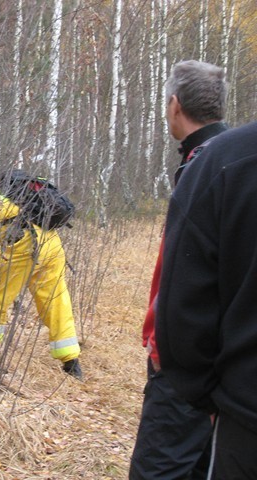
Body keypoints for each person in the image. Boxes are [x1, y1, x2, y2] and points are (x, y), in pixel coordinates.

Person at [129, 60, 229, 479]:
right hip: (225, 366)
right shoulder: (229, 163)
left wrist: (164, 353)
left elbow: (185, 279)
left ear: (174, 105)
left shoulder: (201, 169)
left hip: (186, 368)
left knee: (159, 470)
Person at [156, 120, 257, 478]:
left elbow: (183, 307)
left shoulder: (225, 161)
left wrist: (205, 396)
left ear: (175, 105)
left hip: (245, 422)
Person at [0, 173, 82, 379]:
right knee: (56, 300)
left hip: (23, 247)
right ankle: (71, 362)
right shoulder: (6, 193)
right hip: (51, 245)